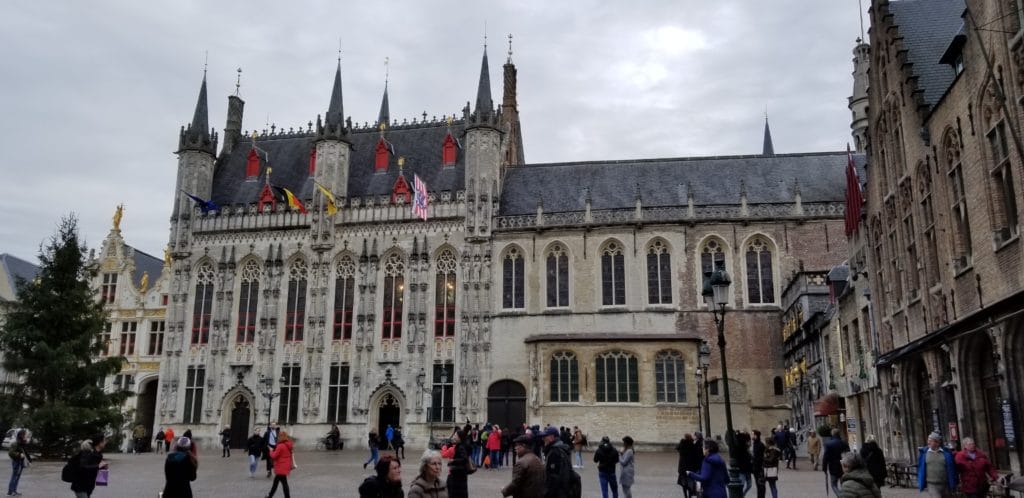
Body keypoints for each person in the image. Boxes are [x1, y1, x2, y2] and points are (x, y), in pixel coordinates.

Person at [917, 431, 957, 498]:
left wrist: (954, 482)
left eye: (930, 441)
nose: (928, 442)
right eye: (928, 440)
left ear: (937, 442)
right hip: (932, 484)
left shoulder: (946, 453)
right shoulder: (924, 453)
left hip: (945, 483)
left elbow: (952, 468)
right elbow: (920, 467)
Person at [70, 434, 108, 498]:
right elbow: (82, 467)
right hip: (80, 486)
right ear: (99, 443)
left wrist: (103, 468)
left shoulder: (99, 454)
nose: (105, 443)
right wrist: (98, 466)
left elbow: (95, 472)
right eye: (104, 441)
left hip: (89, 486)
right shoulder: (87, 452)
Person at [542, 426, 572, 498]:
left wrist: (546, 494)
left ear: (552, 437)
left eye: (545, 436)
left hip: (557, 493)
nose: (543, 439)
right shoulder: (561, 448)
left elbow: (553, 478)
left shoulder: (555, 452)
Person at [266, 430, 294, 498]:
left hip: (280, 466)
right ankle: (270, 495)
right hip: (285, 465)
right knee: (277, 482)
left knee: (283, 483)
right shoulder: (289, 445)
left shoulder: (280, 445)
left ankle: (272, 495)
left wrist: (271, 451)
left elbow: (274, 456)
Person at [446, 429, 473, 498]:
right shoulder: (460, 445)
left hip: (458, 475)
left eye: (455, 435)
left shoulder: (461, 447)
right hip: (459, 475)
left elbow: (464, 459)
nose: (454, 437)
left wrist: (453, 461)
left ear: (460, 438)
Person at [823, 428, 850, 495]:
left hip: (833, 467)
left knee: (833, 484)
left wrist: (824, 468)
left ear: (832, 434)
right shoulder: (844, 443)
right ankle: (843, 495)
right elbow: (849, 455)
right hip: (844, 466)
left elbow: (825, 457)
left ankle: (840, 495)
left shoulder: (828, 444)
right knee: (844, 484)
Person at [7, 429, 30, 496]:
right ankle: (11, 491)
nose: (26, 435)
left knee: (17, 477)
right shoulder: (16, 443)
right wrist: (19, 454)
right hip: (17, 462)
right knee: (15, 477)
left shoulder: (22, 443)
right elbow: (10, 453)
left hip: (20, 462)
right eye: (25, 434)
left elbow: (25, 453)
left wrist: (29, 461)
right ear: (22, 435)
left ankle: (13, 491)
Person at [734, 431, 753, 496]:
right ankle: (740, 495)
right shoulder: (740, 448)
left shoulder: (746, 449)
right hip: (742, 469)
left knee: (749, 485)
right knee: (741, 485)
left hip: (747, 469)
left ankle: (742, 495)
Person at [751, 430, 766, 498]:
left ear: (756, 436)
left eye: (753, 434)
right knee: (758, 485)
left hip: (759, 468)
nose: (752, 436)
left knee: (761, 485)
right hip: (756, 467)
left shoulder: (760, 444)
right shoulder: (755, 444)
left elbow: (760, 457)